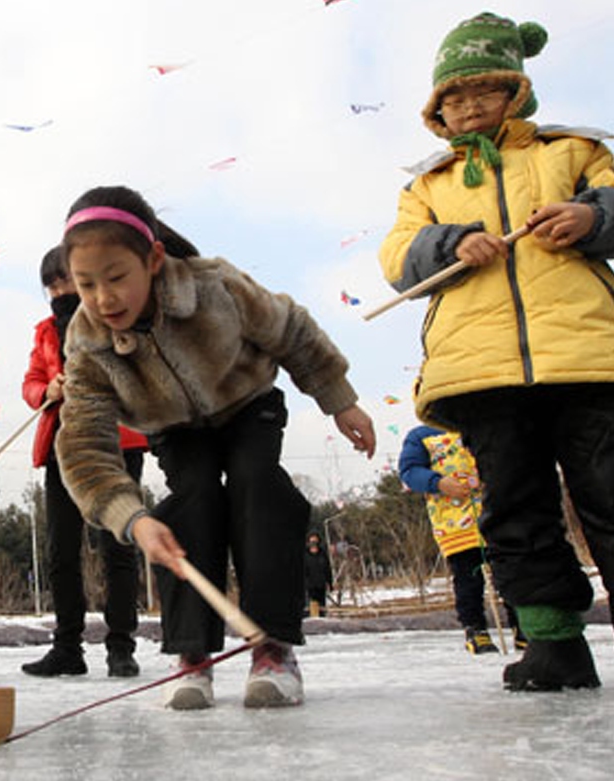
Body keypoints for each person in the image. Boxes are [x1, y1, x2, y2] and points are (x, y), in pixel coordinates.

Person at [54, 186, 375, 711]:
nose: (104, 299)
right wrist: (130, 517)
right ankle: (191, 657)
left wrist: (338, 399)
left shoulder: (214, 286)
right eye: (87, 285)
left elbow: (290, 329)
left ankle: (272, 647)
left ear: (153, 260)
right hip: (175, 428)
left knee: (258, 484)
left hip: (248, 401)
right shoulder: (87, 345)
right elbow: (84, 444)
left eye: (116, 278)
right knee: (190, 502)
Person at [378, 11, 614, 691]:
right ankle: (553, 643)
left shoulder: (570, 150)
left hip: (586, 355)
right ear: (436, 112)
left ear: (517, 92)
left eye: (484, 91)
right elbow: (398, 260)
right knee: (516, 505)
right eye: (453, 97)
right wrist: (451, 244)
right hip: (479, 370)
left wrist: (591, 217)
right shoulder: (427, 184)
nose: (468, 107)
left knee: (609, 492)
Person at [20, 246, 148, 679]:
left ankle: (121, 646)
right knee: (61, 550)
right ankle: (67, 646)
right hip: (62, 445)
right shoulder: (43, 333)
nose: (60, 290)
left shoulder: (115, 319)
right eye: (52, 285)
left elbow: (138, 370)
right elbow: (31, 381)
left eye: (66, 280)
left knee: (119, 545)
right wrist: (46, 391)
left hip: (117, 441)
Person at [399, 426, 522, 654]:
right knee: (469, 579)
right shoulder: (421, 436)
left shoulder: (476, 424)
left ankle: (522, 627)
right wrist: (438, 482)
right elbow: (409, 471)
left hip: (496, 515)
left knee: (511, 572)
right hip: (454, 522)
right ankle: (475, 630)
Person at [303, 533, 333, 618]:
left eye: (316, 541)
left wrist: (330, 583)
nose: (314, 544)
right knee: (309, 608)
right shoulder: (305, 555)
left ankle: (322, 623)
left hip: (321, 585)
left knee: (321, 607)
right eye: (312, 541)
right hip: (309, 587)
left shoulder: (322, 554)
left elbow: (327, 569)